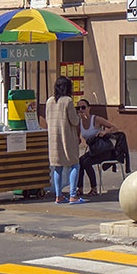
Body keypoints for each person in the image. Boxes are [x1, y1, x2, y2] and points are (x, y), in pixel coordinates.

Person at [74, 101, 126, 197]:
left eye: (83, 107)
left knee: (85, 163)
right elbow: (78, 138)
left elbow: (114, 128)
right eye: (78, 108)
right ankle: (79, 188)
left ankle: (94, 189)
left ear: (89, 108)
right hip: (94, 151)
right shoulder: (79, 123)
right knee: (79, 161)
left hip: (104, 150)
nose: (81, 110)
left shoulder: (96, 119)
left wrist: (105, 132)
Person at [46, 75, 82, 204]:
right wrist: (79, 117)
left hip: (53, 138)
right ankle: (73, 195)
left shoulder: (49, 101)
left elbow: (48, 119)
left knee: (57, 166)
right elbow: (74, 120)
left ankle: (58, 195)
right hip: (67, 138)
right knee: (74, 164)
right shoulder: (68, 101)